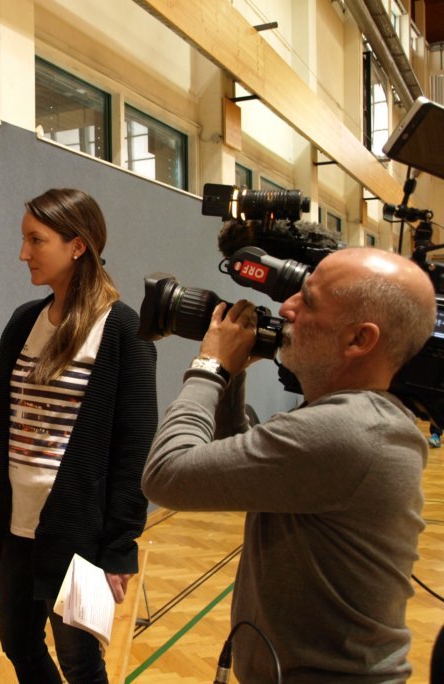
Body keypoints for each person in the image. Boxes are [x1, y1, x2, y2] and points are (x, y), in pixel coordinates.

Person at [0, 188, 158, 683]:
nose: (23, 253)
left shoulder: (123, 329)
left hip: (79, 529)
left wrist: (120, 546)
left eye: (36, 240)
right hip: (17, 522)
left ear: (77, 245)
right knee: (18, 645)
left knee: (81, 664)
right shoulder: (25, 321)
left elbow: (135, 448)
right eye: (24, 240)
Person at [142, 246, 437, 682]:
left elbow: (167, 475)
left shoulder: (346, 430)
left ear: (359, 340)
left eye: (309, 301)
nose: (286, 308)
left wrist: (210, 366)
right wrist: (233, 374)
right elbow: (241, 470)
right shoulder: (358, 416)